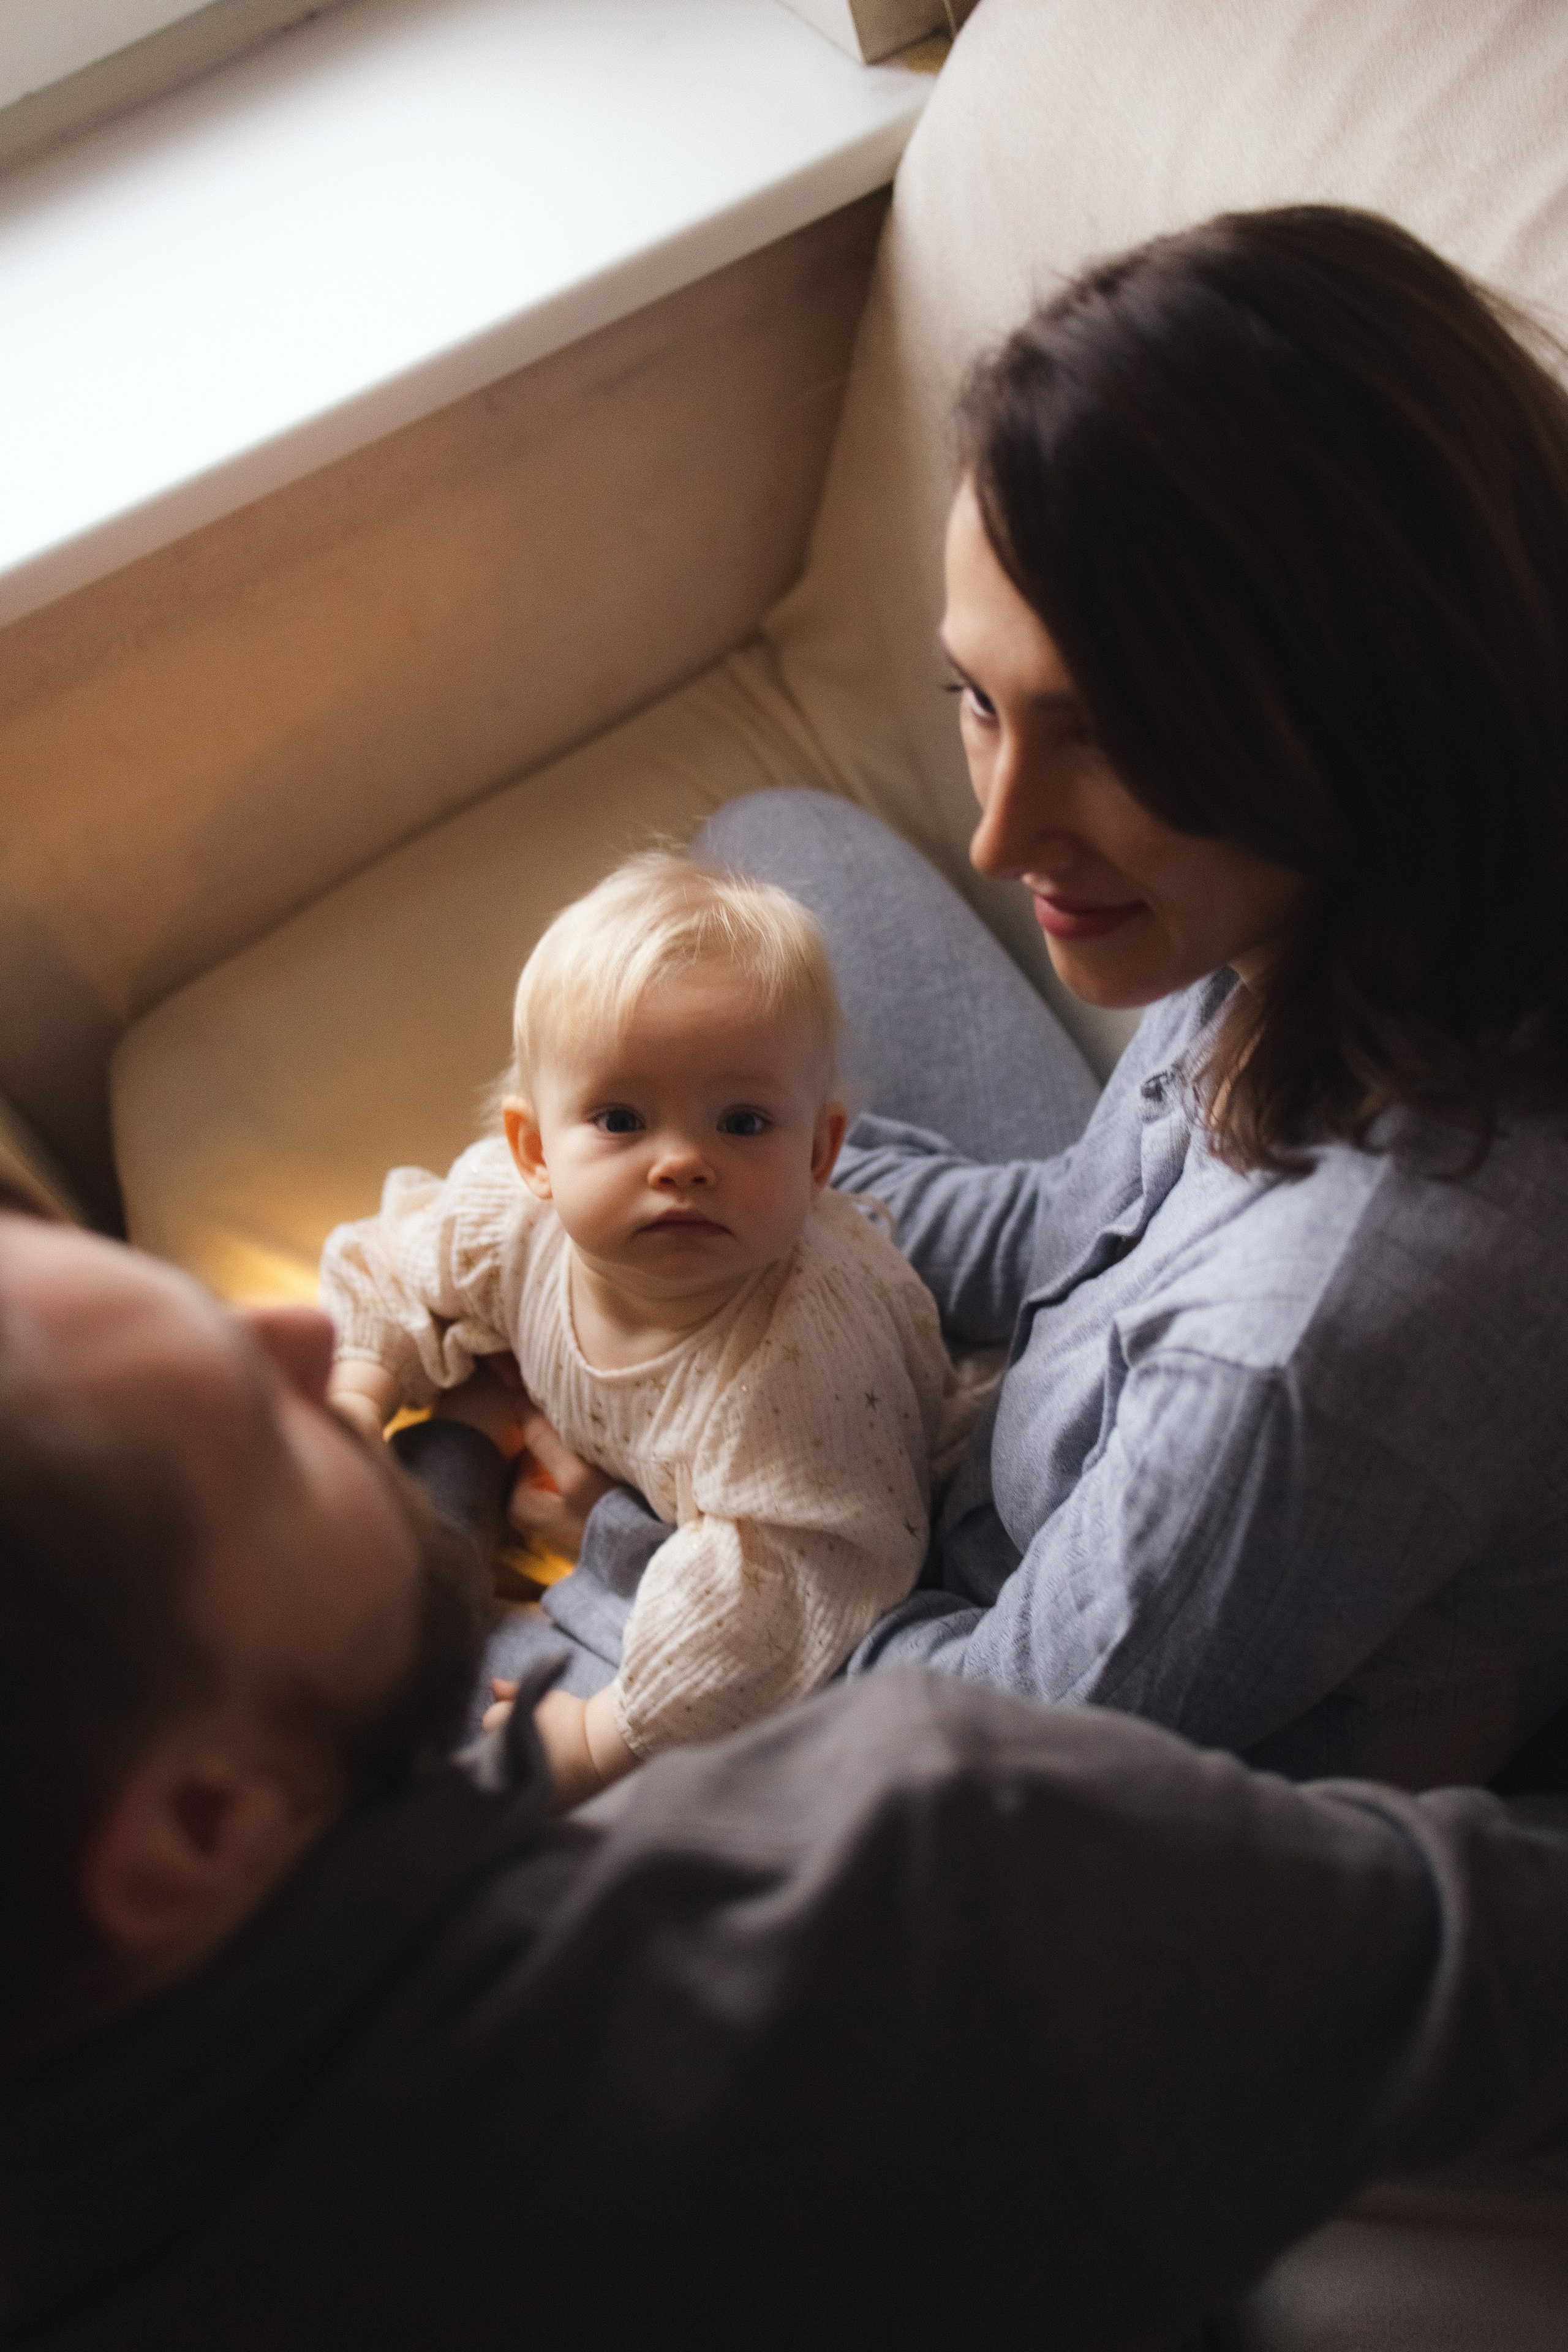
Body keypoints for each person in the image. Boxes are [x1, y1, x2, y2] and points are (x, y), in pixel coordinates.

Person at [3, 1208, 1568, 2352]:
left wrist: (461, 1445)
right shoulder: (914, 1864)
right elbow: (1498, 1960)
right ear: (195, 1829)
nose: (281, 1328)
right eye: (259, 1446)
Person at [498, 205, 1568, 1794]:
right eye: (981, 704)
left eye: (1109, 739)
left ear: (1369, 715)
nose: (1002, 838)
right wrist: (666, 1178)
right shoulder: (1326, 907)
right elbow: (1069, 1228)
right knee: (765, 866)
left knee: (485, 1722)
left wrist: (694, 1502)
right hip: (1052, 1420)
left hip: (1014, 1707)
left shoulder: (1310, 1356)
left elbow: (986, 1762)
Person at [319, 853, 957, 1801]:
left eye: (742, 1122)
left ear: (821, 1153)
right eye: (622, 1118)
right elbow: (399, 1262)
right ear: (534, 1151)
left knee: (511, 1763)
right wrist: (353, 1398)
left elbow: (771, 1610)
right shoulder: (511, 1218)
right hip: (638, 1484)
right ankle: (459, 1467)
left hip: (810, 1553)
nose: (683, 1163)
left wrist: (602, 1740)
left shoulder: (800, 1362)